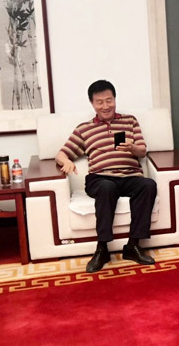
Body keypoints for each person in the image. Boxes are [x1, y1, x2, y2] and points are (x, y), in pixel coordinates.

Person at [56, 80, 157, 273]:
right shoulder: (84, 129)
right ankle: (102, 249)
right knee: (107, 187)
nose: (105, 106)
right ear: (92, 103)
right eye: (100, 102)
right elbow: (61, 154)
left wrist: (132, 148)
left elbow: (142, 151)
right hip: (100, 178)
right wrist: (66, 161)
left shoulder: (130, 121)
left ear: (115, 99)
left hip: (129, 175)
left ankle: (133, 246)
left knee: (148, 185)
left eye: (109, 100)